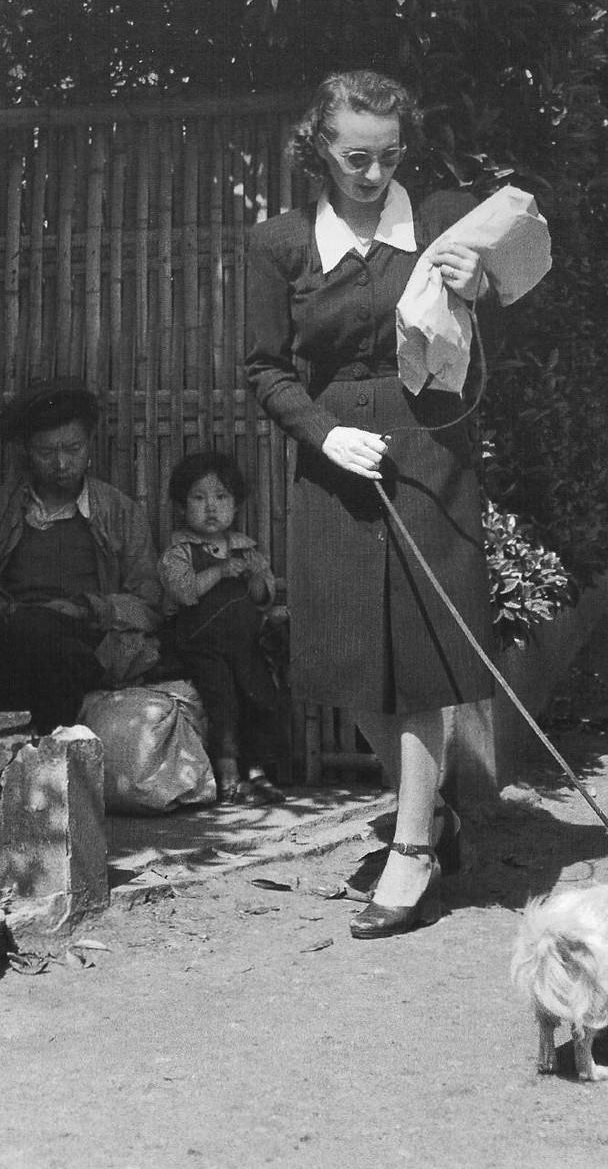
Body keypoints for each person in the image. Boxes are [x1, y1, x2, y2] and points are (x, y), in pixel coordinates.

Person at [245, 69, 495, 937]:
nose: (372, 173)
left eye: (388, 156)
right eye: (356, 156)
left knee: (423, 653)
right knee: (349, 661)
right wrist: (319, 433)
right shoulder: (280, 243)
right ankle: (432, 814)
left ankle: (416, 847)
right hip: (337, 459)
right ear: (319, 145)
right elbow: (264, 367)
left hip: (428, 446)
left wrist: (480, 282)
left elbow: (520, 290)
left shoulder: (440, 217)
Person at [0, 377, 162, 732]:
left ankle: (40, 753)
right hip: (13, 637)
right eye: (46, 453)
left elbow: (150, 605)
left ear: (89, 445)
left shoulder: (119, 512)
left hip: (87, 642)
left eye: (72, 449)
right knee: (23, 634)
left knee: (39, 637)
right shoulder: (7, 508)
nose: (61, 463)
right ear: (27, 451)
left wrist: (90, 608)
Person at [159, 451, 285, 805]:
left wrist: (256, 577)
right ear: (183, 507)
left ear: (236, 504)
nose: (211, 507)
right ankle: (228, 778)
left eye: (221, 498)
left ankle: (259, 774)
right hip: (199, 646)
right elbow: (182, 593)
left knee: (260, 695)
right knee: (223, 701)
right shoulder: (180, 550)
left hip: (243, 645)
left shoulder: (246, 548)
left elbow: (264, 598)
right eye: (199, 498)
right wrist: (217, 572)